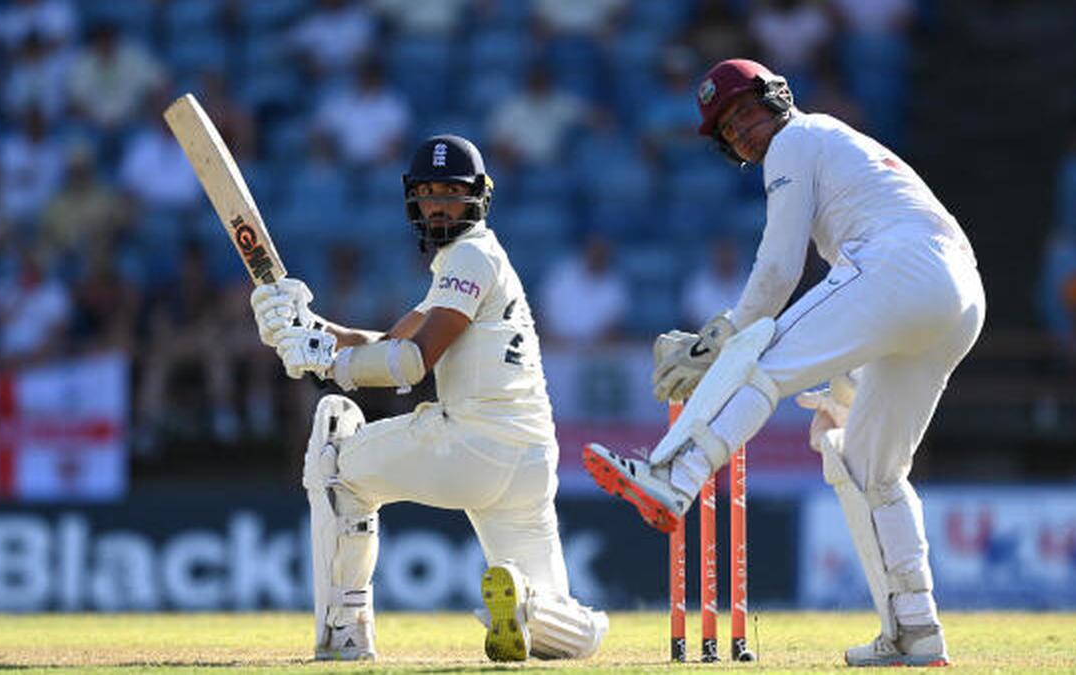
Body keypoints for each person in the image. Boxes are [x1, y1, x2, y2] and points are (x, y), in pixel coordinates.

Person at [582, 59, 985, 667]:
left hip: (902, 265)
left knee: (758, 361)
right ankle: (917, 631)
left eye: (745, 112)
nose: (740, 131)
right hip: (958, 296)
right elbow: (874, 307)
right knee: (874, 472)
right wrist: (845, 385)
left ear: (776, 100)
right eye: (727, 128)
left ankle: (675, 478)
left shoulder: (795, 139)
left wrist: (721, 336)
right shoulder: (834, 143)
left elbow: (778, 269)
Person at [249, 135, 607, 663]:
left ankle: (346, 629)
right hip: (529, 460)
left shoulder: (469, 256)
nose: (438, 204)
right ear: (412, 199)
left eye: (451, 193)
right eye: (428, 193)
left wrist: (326, 362)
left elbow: (412, 361)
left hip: (473, 446)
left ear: (480, 197)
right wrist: (308, 326)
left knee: (334, 460)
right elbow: (393, 340)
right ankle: (529, 604)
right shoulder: (474, 261)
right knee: (561, 637)